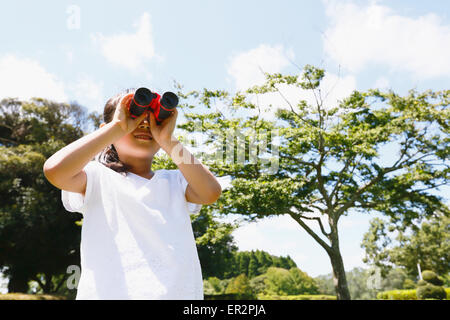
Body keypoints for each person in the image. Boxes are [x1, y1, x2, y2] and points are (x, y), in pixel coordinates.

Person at [43, 88, 222, 299]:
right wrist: (117, 127)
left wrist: (168, 140)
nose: (145, 124)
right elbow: (55, 170)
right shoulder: (96, 177)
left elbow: (211, 192)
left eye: (155, 118)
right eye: (134, 116)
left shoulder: (176, 181)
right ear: (107, 130)